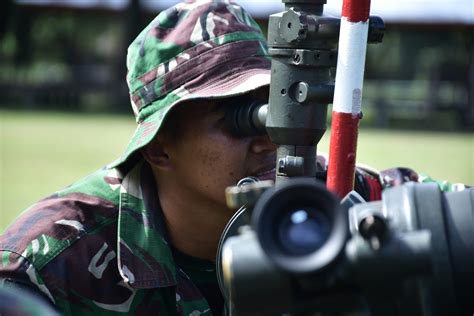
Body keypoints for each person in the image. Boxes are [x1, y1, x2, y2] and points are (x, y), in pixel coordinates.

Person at [0, 1, 463, 315]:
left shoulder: (333, 196)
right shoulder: (50, 260)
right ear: (159, 147)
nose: (268, 139)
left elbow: (448, 216)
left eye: (275, 110)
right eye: (239, 118)